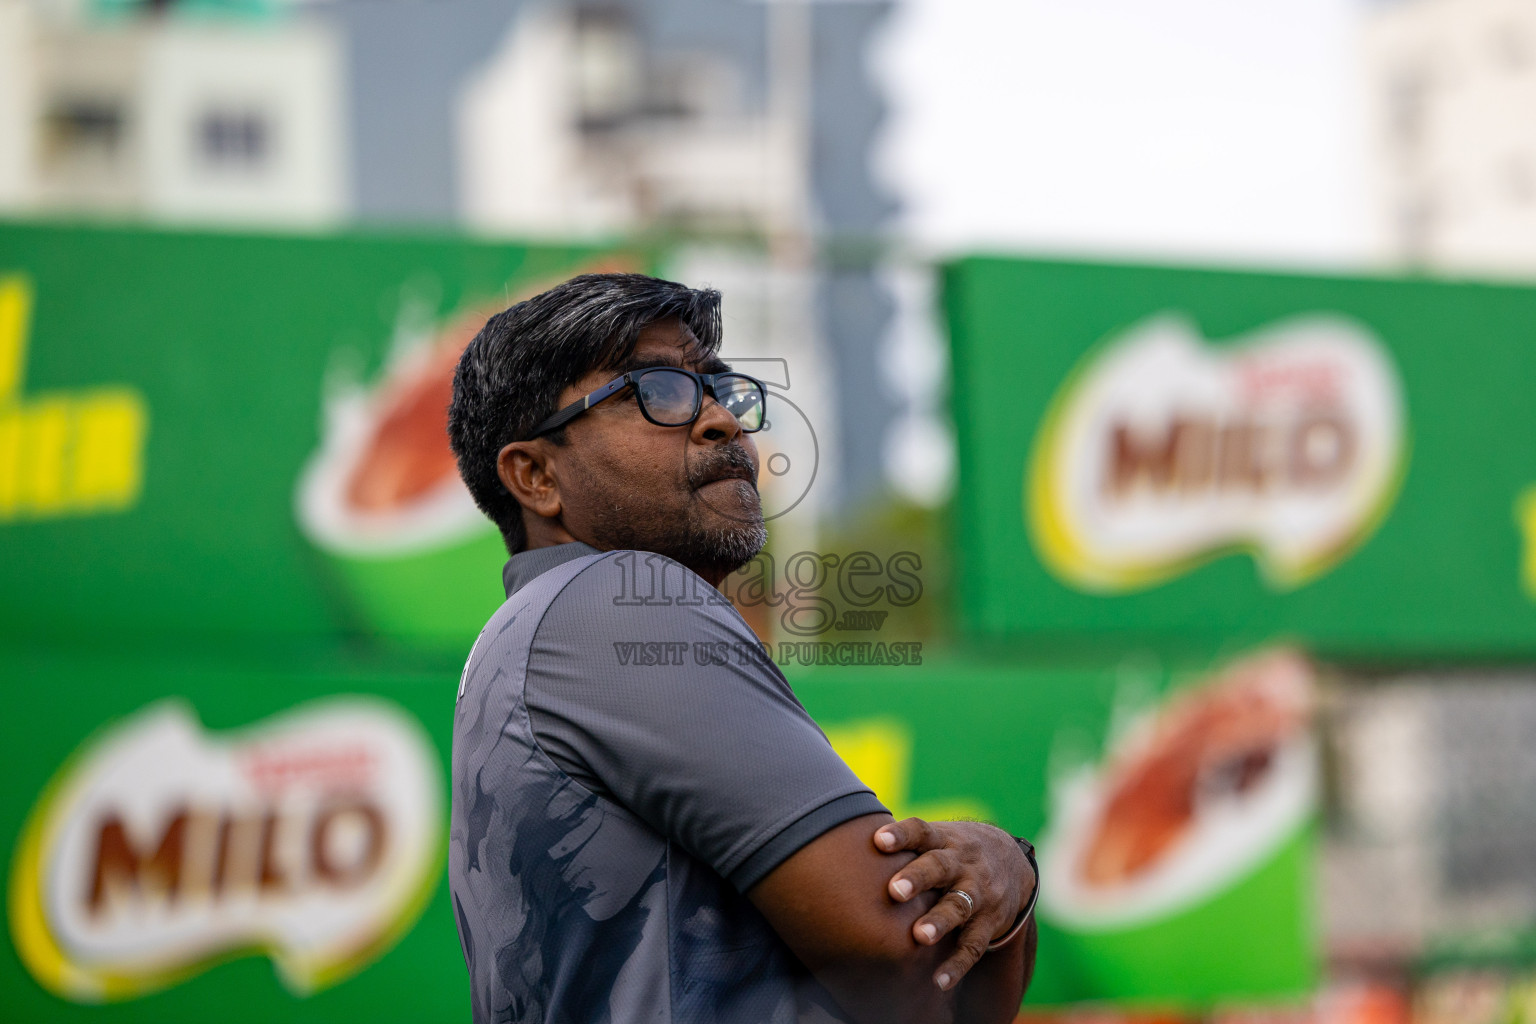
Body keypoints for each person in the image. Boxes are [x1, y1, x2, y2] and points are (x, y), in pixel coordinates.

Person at [446, 273, 1037, 1024]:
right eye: (655, 389)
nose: (722, 420)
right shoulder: (619, 602)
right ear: (535, 476)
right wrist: (1006, 863)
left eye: (720, 387)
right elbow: (909, 958)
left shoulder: (535, 629)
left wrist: (996, 885)